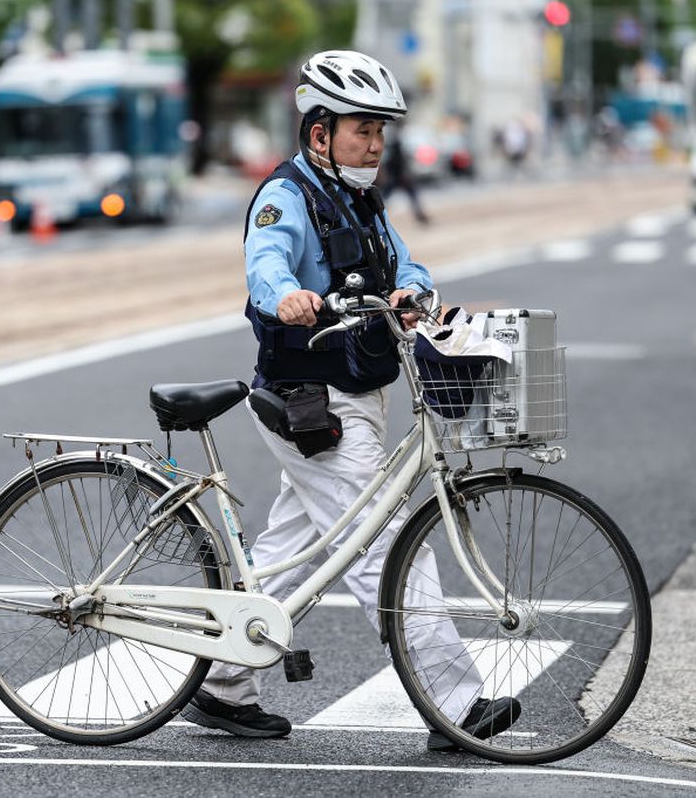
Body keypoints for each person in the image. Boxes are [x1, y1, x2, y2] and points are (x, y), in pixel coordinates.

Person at [179, 50, 520, 749]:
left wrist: (413, 289)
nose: (375, 144)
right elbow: (265, 262)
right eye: (363, 129)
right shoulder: (286, 197)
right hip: (310, 401)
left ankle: (223, 685)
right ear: (319, 132)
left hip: (357, 392)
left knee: (294, 547)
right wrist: (287, 296)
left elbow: (404, 260)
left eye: (380, 131)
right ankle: (455, 704)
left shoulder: (360, 199)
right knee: (382, 542)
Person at [379, 125, 430, 224]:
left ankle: (420, 215)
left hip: (397, 175)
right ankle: (377, 214)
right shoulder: (393, 145)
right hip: (396, 175)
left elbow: (398, 161)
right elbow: (393, 162)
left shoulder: (394, 144)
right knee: (386, 196)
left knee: (409, 195)